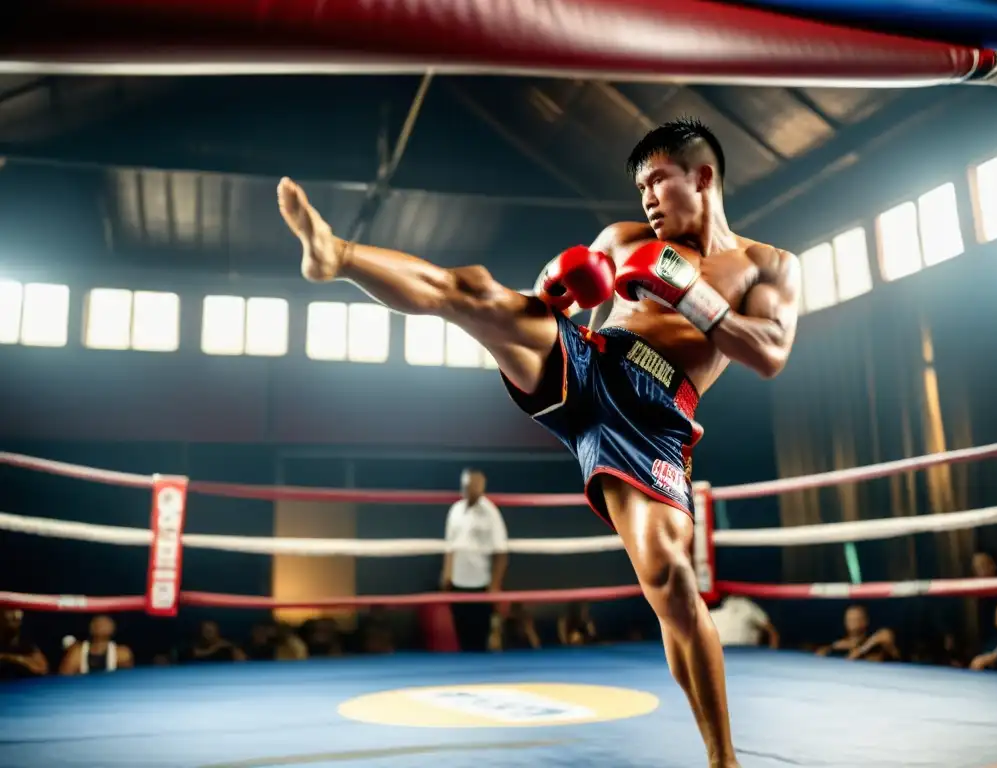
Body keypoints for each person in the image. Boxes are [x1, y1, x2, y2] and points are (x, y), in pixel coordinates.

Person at [278, 117, 801, 768]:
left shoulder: (769, 264)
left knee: (670, 583)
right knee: (474, 291)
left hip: (657, 419)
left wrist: (692, 295)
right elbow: (552, 302)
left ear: (703, 177)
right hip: (590, 363)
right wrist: (553, 287)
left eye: (657, 181)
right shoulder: (623, 237)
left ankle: (723, 760)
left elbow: (771, 353)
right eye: (639, 186)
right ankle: (337, 255)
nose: (645, 198)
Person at [440, 469, 509, 652]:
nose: (469, 489)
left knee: (480, 636)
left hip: (481, 584)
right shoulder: (455, 510)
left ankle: (484, 677)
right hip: (457, 583)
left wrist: (495, 585)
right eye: (466, 485)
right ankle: (465, 677)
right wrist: (446, 575)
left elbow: (501, 552)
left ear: (481, 486)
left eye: (473, 485)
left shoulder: (490, 512)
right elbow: (449, 546)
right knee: (462, 635)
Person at [817, 605, 899, 662]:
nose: (853, 623)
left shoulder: (875, 642)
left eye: (856, 619)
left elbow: (885, 634)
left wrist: (861, 650)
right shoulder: (840, 645)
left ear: (866, 621)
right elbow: (820, 653)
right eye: (850, 619)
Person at [58, 615, 134, 675]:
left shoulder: (122, 653)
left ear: (113, 627)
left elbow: (127, 679)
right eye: (97, 622)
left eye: (105, 622)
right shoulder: (76, 653)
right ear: (90, 627)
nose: (100, 624)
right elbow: (64, 679)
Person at [709, 596, 779, 648]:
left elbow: (772, 632)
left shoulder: (747, 606)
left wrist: (772, 652)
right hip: (715, 645)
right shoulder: (724, 605)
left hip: (740, 650)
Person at [0, 609, 48, 680]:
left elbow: (42, 668)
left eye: (18, 610)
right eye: (10, 610)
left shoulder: (24, 641)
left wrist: (9, 657)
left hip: (18, 687)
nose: (16, 615)